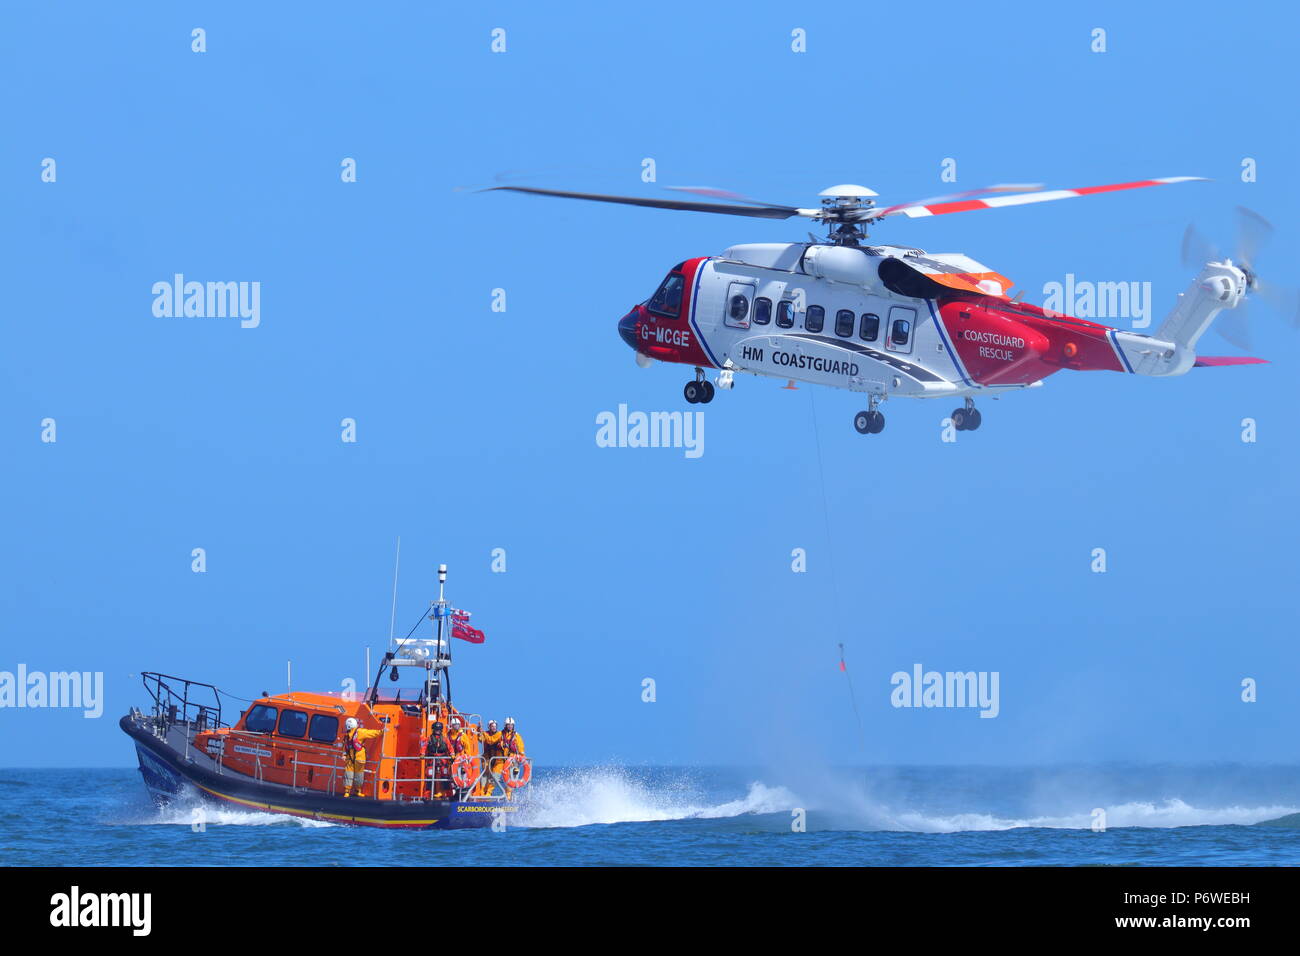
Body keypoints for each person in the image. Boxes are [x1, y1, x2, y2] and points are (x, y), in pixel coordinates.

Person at [341, 716, 381, 798]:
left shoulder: (347, 735)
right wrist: (382, 731)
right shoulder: (359, 732)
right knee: (358, 775)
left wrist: (344, 755)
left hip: (351, 759)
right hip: (359, 758)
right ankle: (357, 791)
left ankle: (347, 792)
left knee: (349, 774)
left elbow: (345, 747)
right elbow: (372, 733)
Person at [425, 720, 451, 798]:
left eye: (439, 730)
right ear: (433, 730)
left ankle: (448, 793)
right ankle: (427, 794)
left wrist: (452, 754)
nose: (437, 731)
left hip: (442, 759)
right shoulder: (429, 739)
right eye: (436, 730)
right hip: (432, 758)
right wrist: (422, 754)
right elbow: (424, 747)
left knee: (445, 774)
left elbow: (450, 747)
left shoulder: (445, 739)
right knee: (429, 775)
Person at [480, 720, 504, 794]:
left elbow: (491, 740)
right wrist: (479, 730)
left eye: (495, 726)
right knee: (485, 775)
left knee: (495, 776)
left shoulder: (499, 734)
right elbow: (480, 739)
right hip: (487, 757)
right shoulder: (485, 734)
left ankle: (488, 793)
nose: (494, 728)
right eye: (492, 726)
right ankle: (482, 792)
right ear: (489, 727)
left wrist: (483, 732)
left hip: (497, 759)